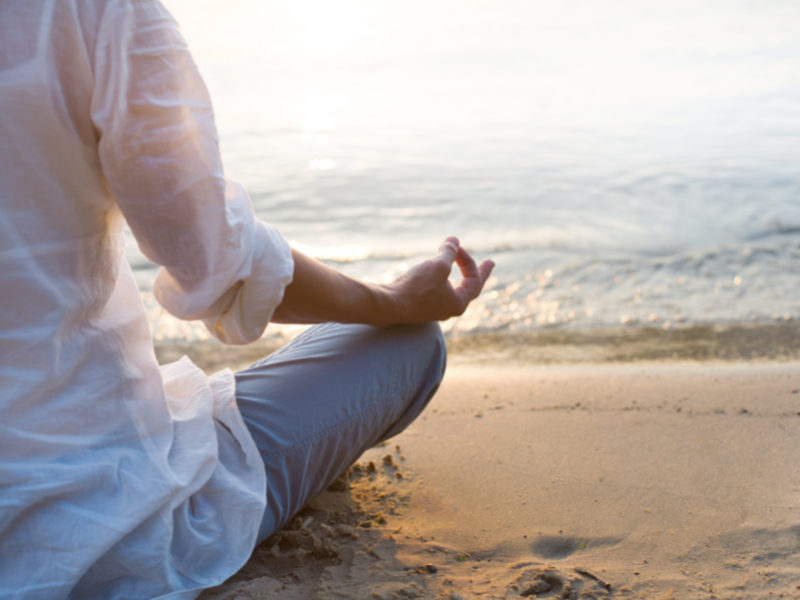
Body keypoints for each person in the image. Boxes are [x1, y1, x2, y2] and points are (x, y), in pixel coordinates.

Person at [0, 1, 494, 599]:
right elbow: (216, 264)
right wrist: (392, 301)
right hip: (88, 526)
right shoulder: (94, 13)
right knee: (409, 346)